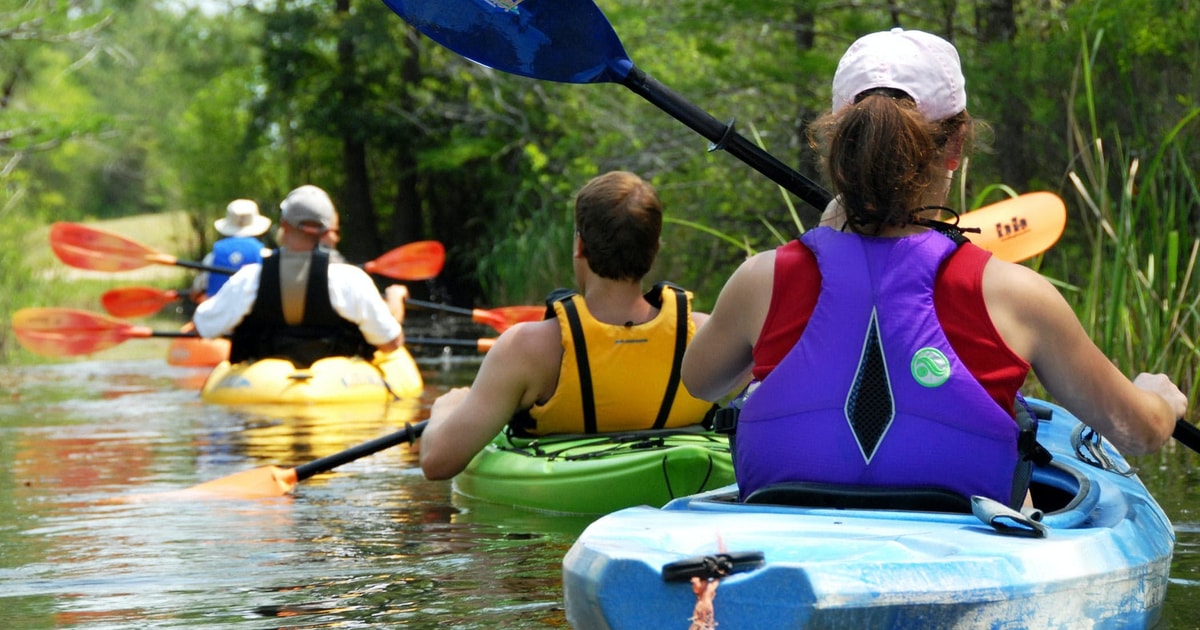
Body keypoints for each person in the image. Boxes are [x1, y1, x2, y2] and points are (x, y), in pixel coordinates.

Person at [680, 28, 1187, 508]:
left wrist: (825, 244)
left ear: (835, 145)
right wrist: (1158, 399)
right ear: (956, 145)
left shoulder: (761, 281)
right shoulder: (1018, 297)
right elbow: (1137, 431)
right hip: (965, 548)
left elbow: (701, 383)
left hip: (786, 541)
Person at [420, 171, 716, 480]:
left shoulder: (526, 347)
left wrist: (446, 405)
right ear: (654, 250)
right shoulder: (704, 334)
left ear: (580, 247)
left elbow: (437, 463)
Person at [193, 184, 406, 367]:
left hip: (264, 389)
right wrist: (396, 299)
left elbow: (204, 326)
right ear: (327, 231)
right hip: (333, 390)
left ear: (284, 225)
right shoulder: (351, 280)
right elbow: (390, 343)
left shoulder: (249, 278)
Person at [193, 199, 273, 301]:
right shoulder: (267, 256)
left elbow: (196, 292)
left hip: (220, 314)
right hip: (258, 314)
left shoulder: (212, 257)